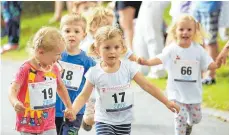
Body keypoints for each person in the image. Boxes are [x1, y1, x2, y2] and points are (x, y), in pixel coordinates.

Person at [65, 26, 180, 135]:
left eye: (116, 47)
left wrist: (167, 101)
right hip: (103, 119)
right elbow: (83, 95)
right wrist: (73, 110)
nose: (112, 51)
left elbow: (147, 85)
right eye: (107, 47)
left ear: (122, 48)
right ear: (97, 50)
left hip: (124, 121)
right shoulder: (94, 72)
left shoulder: (128, 68)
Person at [138, 15, 220, 135]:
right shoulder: (172, 49)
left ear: (195, 31)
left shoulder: (198, 50)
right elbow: (160, 58)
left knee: (196, 118)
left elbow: (209, 64)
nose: (185, 32)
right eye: (181, 29)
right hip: (176, 92)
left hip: (193, 93)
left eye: (189, 29)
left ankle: (189, 124)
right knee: (179, 118)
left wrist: (217, 64)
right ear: (175, 31)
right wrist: (147, 62)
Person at [79, 7, 143, 131]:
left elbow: (127, 51)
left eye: (111, 24)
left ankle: (109, 122)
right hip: (93, 85)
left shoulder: (114, 42)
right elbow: (79, 59)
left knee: (109, 109)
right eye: (105, 25)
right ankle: (88, 119)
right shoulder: (87, 45)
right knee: (91, 117)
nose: (110, 28)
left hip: (111, 85)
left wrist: (138, 59)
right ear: (93, 26)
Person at [8, 27, 74, 135]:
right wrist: (15, 102)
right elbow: (13, 88)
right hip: (28, 122)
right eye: (57, 54)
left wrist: (69, 106)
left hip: (48, 123)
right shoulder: (25, 69)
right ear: (41, 52)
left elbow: (61, 87)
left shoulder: (54, 68)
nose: (60, 57)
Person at [55, 14, 96, 135]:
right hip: (55, 107)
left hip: (76, 109)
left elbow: (98, 77)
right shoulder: (55, 56)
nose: (71, 34)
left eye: (76, 31)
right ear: (60, 33)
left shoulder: (88, 61)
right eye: (67, 31)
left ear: (84, 35)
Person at [191, 1, 222, 85]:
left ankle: (210, 76)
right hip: (197, 6)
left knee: (210, 42)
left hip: (210, 7)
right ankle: (200, 74)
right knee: (198, 41)